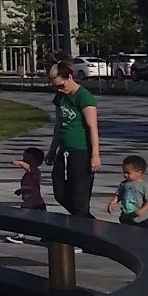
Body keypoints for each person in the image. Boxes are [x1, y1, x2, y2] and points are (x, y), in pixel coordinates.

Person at [47, 60, 100, 218]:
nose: (60, 90)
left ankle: (84, 233)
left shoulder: (84, 97)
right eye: (56, 87)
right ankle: (89, 224)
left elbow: (92, 127)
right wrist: (52, 150)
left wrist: (95, 155)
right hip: (64, 151)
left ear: (70, 77)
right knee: (60, 193)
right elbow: (59, 124)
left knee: (79, 197)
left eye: (61, 85)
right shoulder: (60, 98)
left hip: (81, 151)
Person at [3, 145, 47, 243]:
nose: (24, 160)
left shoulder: (35, 171)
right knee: (41, 220)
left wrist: (19, 163)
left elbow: (28, 167)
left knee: (20, 217)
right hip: (32, 201)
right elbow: (28, 186)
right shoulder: (28, 174)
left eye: (26, 158)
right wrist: (20, 191)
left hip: (33, 201)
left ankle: (20, 235)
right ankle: (46, 235)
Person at [106, 155, 148, 228]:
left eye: (128, 173)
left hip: (140, 219)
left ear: (139, 173)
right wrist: (112, 203)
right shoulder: (124, 184)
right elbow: (119, 195)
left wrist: (142, 210)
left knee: (143, 236)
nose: (125, 175)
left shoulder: (144, 186)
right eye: (124, 172)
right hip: (126, 217)